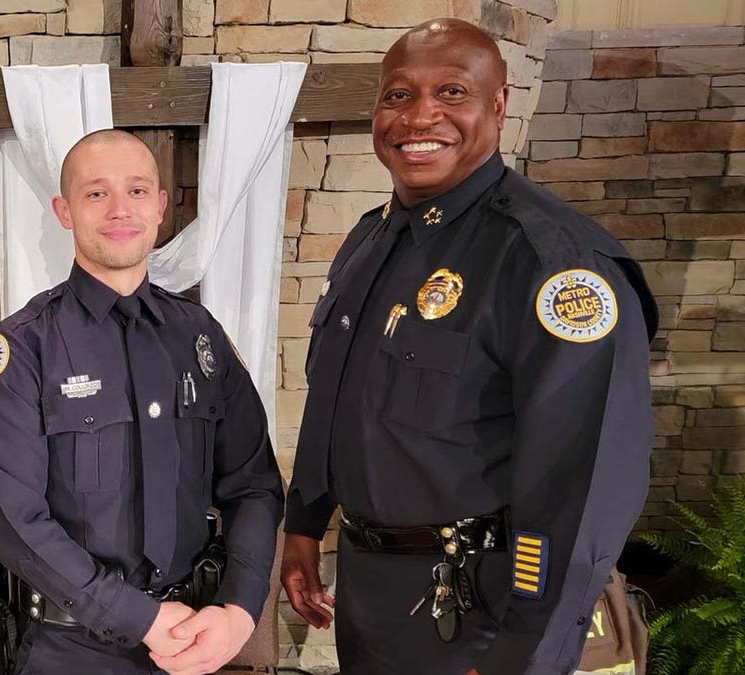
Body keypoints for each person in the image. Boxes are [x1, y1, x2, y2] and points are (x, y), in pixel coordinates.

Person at [281, 18, 658, 675]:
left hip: (483, 610)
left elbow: (584, 484)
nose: (420, 115)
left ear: (499, 103)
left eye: (452, 92)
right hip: (373, 600)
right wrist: (304, 521)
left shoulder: (554, 264)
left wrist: (521, 651)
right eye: (398, 95)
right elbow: (336, 395)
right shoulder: (370, 241)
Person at [0, 129, 285, 675]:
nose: (120, 209)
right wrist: (139, 618)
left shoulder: (198, 336)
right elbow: (17, 526)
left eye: (137, 191)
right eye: (96, 193)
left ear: (160, 207)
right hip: (69, 650)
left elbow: (253, 484)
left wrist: (238, 610)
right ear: (64, 211)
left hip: (194, 636)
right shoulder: (22, 350)